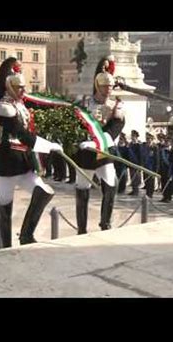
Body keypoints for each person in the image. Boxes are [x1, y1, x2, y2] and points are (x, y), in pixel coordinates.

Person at [0, 57, 62, 247]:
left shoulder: (19, 105)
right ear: (9, 86)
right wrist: (48, 145)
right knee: (5, 209)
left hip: (23, 162)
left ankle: (26, 234)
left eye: (23, 86)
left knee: (44, 191)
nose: (23, 90)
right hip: (6, 161)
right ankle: (4, 245)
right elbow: (20, 134)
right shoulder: (3, 107)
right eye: (19, 87)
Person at [73, 55, 125, 234]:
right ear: (98, 86)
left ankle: (105, 223)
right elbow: (76, 124)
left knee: (111, 183)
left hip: (103, 152)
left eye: (110, 86)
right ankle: (81, 228)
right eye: (105, 86)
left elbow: (117, 126)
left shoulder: (115, 106)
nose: (108, 90)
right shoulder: (84, 103)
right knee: (82, 188)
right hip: (86, 154)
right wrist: (82, 141)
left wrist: (102, 139)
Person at [141, 133, 158, 198]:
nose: (148, 140)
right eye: (147, 139)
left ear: (152, 139)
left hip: (151, 167)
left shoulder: (154, 147)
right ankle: (147, 192)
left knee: (151, 181)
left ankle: (150, 193)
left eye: (149, 139)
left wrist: (156, 169)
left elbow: (157, 159)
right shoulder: (144, 147)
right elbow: (142, 157)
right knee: (146, 180)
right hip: (145, 166)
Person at [159, 137, 173, 203]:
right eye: (166, 142)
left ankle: (169, 197)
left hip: (169, 169)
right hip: (163, 170)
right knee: (163, 183)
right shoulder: (162, 150)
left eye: (168, 142)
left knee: (169, 184)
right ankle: (164, 196)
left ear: (170, 143)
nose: (166, 143)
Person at [127, 130, 142, 196]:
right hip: (131, 163)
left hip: (137, 163)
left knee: (137, 177)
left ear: (136, 137)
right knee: (132, 176)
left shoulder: (139, 145)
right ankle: (133, 190)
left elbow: (141, 155)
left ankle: (136, 191)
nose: (132, 137)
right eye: (132, 136)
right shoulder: (130, 144)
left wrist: (140, 164)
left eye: (134, 136)